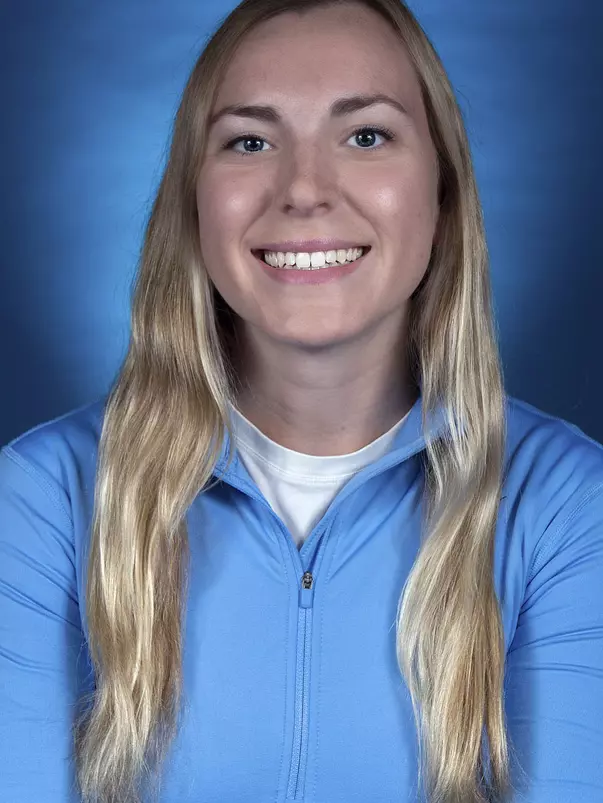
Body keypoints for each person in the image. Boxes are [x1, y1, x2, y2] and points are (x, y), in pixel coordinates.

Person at [1, 0, 602, 801]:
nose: (304, 189)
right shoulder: (40, 501)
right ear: (194, 203)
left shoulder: (568, 507)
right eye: (250, 141)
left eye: (365, 136)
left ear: (441, 192)